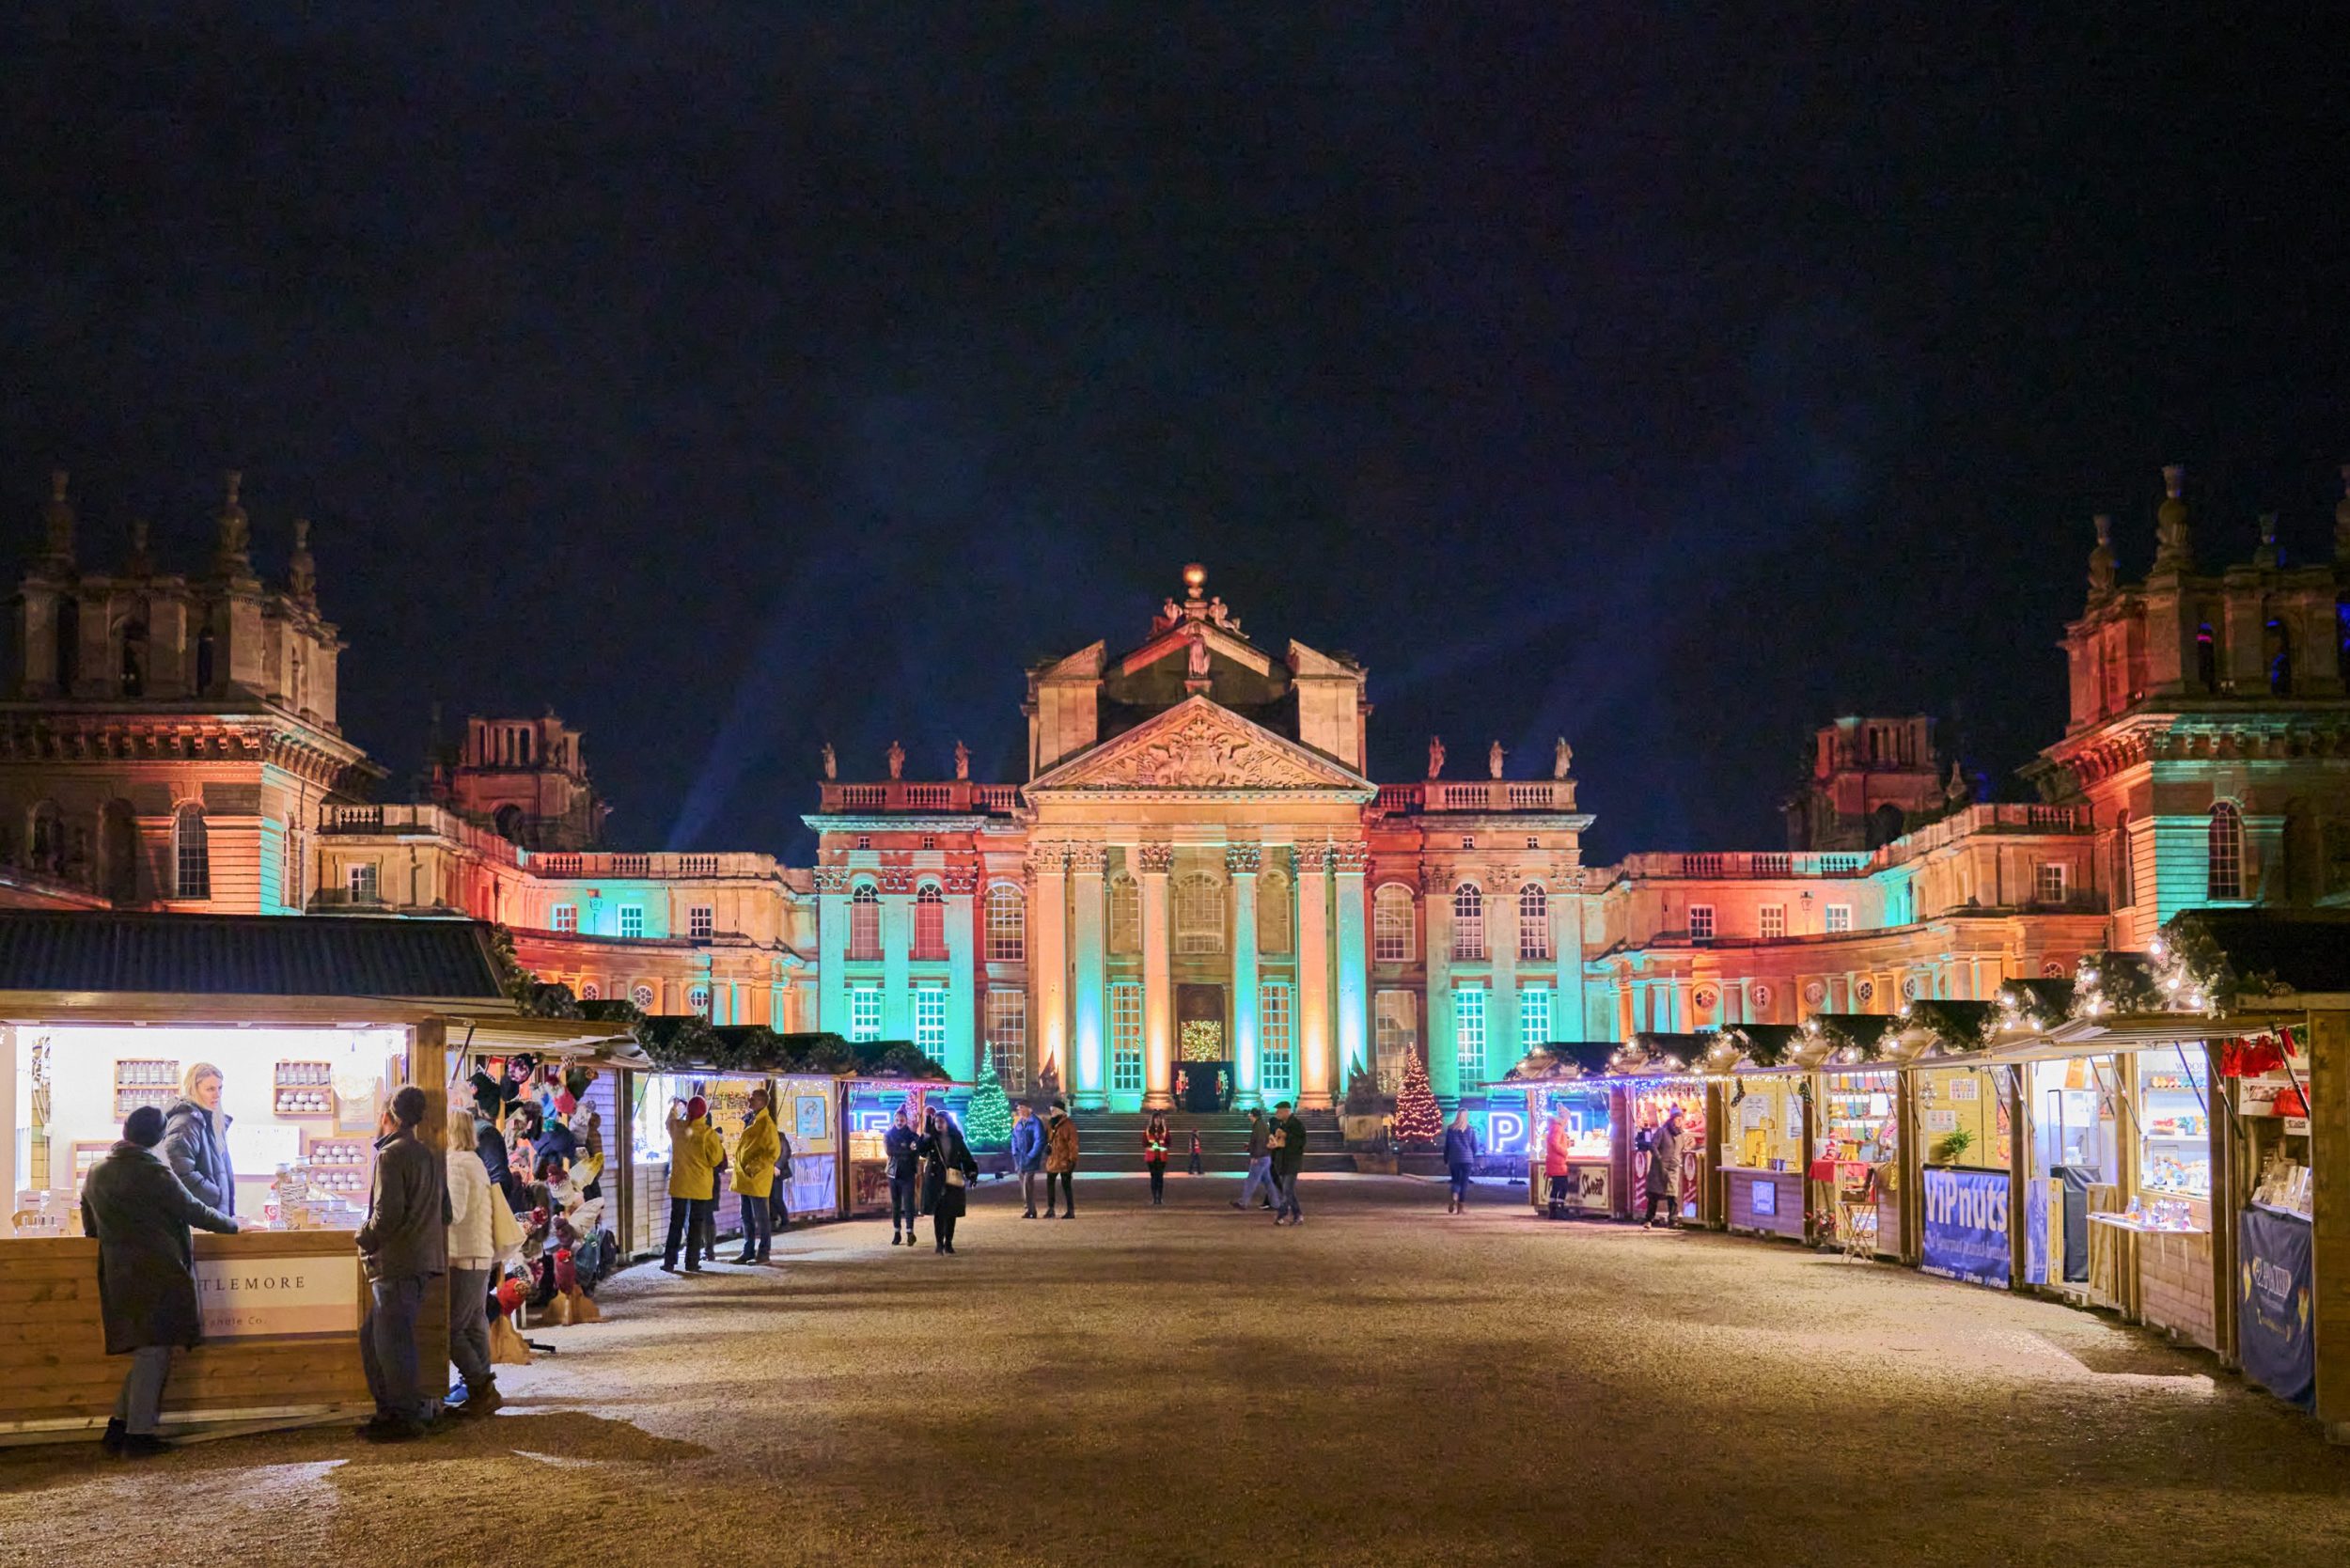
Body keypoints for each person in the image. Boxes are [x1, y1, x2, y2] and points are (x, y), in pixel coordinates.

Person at [81, 1104, 240, 1456]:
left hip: (117, 1274)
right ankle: (138, 1436)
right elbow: (194, 1211)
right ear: (157, 1138)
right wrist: (235, 1224)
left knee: (146, 1351)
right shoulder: (154, 1173)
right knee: (155, 1350)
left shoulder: (96, 1172)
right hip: (157, 1271)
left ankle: (119, 1427)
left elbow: (90, 1228)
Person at [356, 1085, 451, 1442]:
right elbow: (446, 1211)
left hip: (396, 1260)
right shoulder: (428, 1155)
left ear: (387, 1118)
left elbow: (388, 1214)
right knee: (377, 1338)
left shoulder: (390, 1156)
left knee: (391, 1342)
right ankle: (393, 1412)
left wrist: (363, 1235)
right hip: (422, 1260)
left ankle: (401, 1418)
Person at [443, 1105, 502, 1417]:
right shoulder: (476, 1162)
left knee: (451, 1329)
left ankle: (481, 1386)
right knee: (476, 1324)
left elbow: (453, 1212)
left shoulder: (455, 1164)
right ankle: (481, 1387)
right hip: (481, 1253)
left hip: (463, 1255)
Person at [160, 1060, 234, 1217]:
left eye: (220, 1088)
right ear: (194, 1090)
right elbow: (178, 1174)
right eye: (210, 1089)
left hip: (210, 1215)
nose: (217, 1094)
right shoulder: (186, 1124)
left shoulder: (210, 1122)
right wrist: (215, 1194)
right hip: (200, 1218)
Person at [660, 1094, 724, 1274]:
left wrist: (674, 1107)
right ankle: (692, 1262)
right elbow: (715, 1159)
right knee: (696, 1224)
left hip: (680, 1183)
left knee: (676, 1223)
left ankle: (669, 1261)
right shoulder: (708, 1134)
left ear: (688, 1111)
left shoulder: (678, 1128)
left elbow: (669, 1121)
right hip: (700, 1185)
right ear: (704, 1113)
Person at [917, 1106, 979, 1254]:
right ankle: (939, 1243)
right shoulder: (931, 1138)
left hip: (953, 1178)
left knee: (951, 1212)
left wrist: (971, 1173)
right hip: (936, 1178)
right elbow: (922, 1151)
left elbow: (966, 1156)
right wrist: (926, 1129)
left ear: (947, 1123)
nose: (939, 1124)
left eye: (941, 1121)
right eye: (937, 1121)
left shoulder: (956, 1139)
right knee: (939, 1212)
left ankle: (948, 1242)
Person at [732, 1089, 781, 1264]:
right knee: (746, 1216)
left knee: (761, 1217)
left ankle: (763, 1252)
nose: (749, 1100)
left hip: (756, 1176)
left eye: (752, 1098)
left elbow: (773, 1151)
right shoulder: (753, 1119)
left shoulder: (766, 1124)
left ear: (761, 1101)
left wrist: (754, 1166)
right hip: (746, 1176)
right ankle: (748, 1250)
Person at [885, 1105, 922, 1246]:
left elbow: (916, 1149)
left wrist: (904, 1149)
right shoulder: (889, 1134)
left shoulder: (912, 1135)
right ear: (894, 1120)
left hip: (908, 1173)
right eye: (897, 1120)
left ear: (906, 1121)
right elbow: (889, 1151)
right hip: (894, 1174)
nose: (899, 1122)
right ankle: (896, 1232)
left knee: (909, 1204)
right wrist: (907, 1148)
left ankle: (909, 1232)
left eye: (902, 1120)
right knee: (896, 1204)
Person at [1267, 1100, 1308, 1225]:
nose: (1276, 1113)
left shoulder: (1296, 1124)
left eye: (1279, 1111)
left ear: (1286, 1111)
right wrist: (1274, 1144)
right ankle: (1297, 1215)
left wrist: (1286, 1135)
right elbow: (1282, 1143)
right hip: (1283, 1162)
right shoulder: (1283, 1124)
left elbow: (1301, 1142)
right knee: (1288, 1191)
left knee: (1287, 1190)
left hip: (1292, 1162)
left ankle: (1282, 1215)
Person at [1644, 1107, 1685, 1230]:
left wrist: (1678, 1160)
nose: (1679, 1122)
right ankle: (1649, 1219)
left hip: (1673, 1167)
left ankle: (1672, 1220)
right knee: (1655, 1195)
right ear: (1672, 1120)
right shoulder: (1662, 1131)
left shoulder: (1681, 1134)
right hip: (1660, 1168)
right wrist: (1659, 1158)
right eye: (1677, 1119)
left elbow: (1681, 1149)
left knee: (1672, 1194)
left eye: (1680, 1119)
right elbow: (1653, 1145)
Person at [1232, 1106, 1277, 1211]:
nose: (1249, 1117)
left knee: (1251, 1181)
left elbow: (1260, 1142)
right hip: (1266, 1157)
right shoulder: (1262, 1125)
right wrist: (1250, 1146)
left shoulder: (1258, 1126)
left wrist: (1255, 1156)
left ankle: (1243, 1203)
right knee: (1268, 1182)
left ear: (1253, 1115)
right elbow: (1260, 1142)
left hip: (1260, 1158)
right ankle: (1276, 1203)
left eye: (1250, 1115)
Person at [1043, 1098, 1080, 1218]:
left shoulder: (1068, 1124)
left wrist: (1072, 1159)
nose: (1051, 1112)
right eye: (1051, 1110)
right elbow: (1048, 1139)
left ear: (1059, 1111)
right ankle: (1051, 1208)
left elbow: (1072, 1143)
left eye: (1053, 1110)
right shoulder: (1050, 1124)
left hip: (1064, 1159)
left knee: (1066, 1185)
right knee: (1050, 1184)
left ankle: (1070, 1210)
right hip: (1053, 1158)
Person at [1010, 1100, 1047, 1217]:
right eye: (1018, 1108)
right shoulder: (1019, 1123)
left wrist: (1031, 1155)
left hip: (1031, 1159)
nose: (1019, 1110)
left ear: (1029, 1109)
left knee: (1027, 1183)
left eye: (1021, 1107)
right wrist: (1014, 1152)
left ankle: (1031, 1210)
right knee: (1023, 1184)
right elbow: (1014, 1138)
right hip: (1020, 1158)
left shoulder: (1035, 1123)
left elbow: (1039, 1141)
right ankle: (1029, 1209)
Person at [1443, 1109, 1480, 1215]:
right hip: (1467, 1159)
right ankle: (1460, 1208)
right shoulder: (1470, 1129)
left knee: (1455, 1180)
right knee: (1464, 1183)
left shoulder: (1450, 1129)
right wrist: (1472, 1155)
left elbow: (1447, 1146)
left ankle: (1454, 1195)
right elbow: (1474, 1146)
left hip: (1454, 1158)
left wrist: (1446, 1159)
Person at [1543, 1111, 1574, 1219]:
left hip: (1554, 1161)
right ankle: (1559, 1209)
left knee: (1556, 1187)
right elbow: (1554, 1142)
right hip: (1558, 1162)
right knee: (1563, 1186)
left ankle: (1553, 1210)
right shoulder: (1558, 1128)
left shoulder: (1554, 1127)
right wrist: (1564, 1152)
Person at [769, 1115, 794, 1237]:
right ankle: (773, 1221)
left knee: (776, 1198)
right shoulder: (764, 1137)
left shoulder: (780, 1136)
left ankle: (785, 1221)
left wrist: (778, 1166)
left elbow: (786, 1152)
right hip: (767, 1172)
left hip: (776, 1172)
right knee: (770, 1197)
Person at [1143, 1113, 1170, 1205]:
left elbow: (1169, 1142)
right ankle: (1155, 1198)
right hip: (1151, 1157)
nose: (1158, 1120)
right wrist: (1152, 1145)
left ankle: (1160, 1198)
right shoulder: (1148, 1131)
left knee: (1160, 1178)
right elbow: (1144, 1143)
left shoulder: (1165, 1130)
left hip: (1161, 1157)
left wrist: (1162, 1146)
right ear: (1153, 1120)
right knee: (1154, 1178)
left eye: (1159, 1119)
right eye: (1156, 1119)